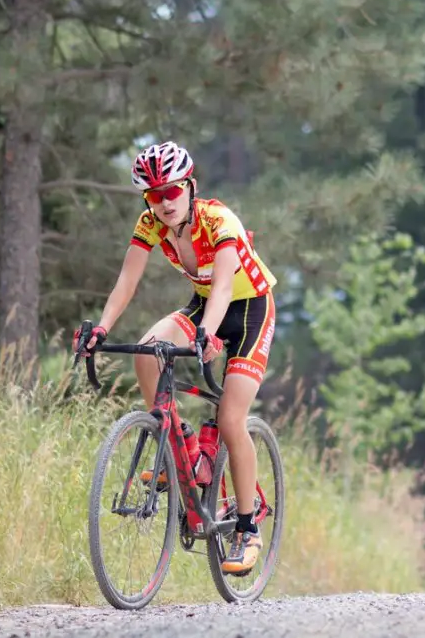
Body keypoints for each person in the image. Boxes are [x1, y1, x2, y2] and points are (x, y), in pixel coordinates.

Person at [74, 140, 277, 575]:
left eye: (172, 192)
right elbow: (126, 282)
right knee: (148, 351)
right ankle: (178, 441)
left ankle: (246, 527)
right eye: (154, 195)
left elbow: (224, 287)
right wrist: (102, 328)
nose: (164, 203)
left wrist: (206, 335)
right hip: (205, 306)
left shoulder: (219, 219)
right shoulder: (150, 224)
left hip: (249, 310)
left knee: (230, 419)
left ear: (190, 187)